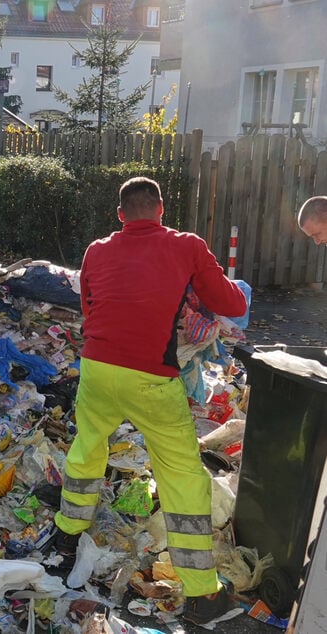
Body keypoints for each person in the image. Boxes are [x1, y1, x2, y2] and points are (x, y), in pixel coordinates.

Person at [53, 177, 247, 625]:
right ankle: (202, 594)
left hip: (98, 369)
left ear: (120, 214)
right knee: (181, 476)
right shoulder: (187, 246)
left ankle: (66, 536)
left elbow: (89, 304)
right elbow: (230, 304)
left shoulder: (97, 250)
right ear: (161, 209)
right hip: (151, 378)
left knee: (87, 449)